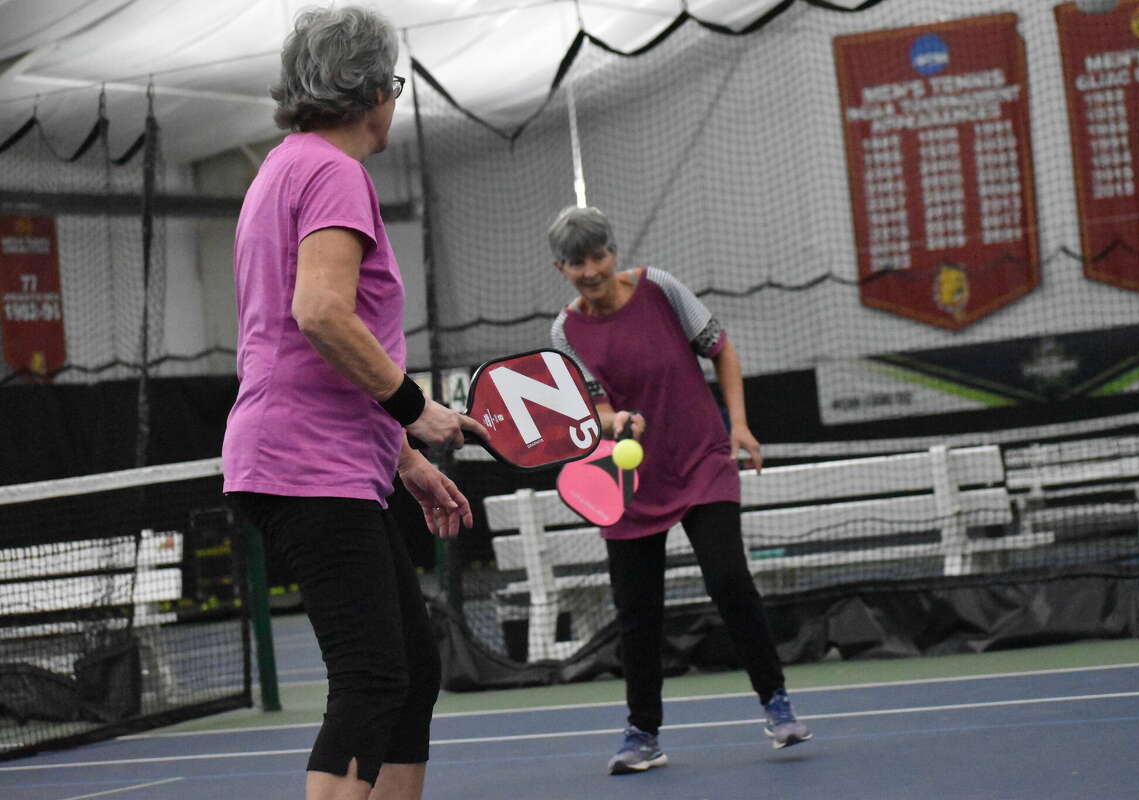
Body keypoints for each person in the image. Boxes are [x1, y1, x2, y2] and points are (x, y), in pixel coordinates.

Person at [221, 8, 488, 800]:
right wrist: (418, 410)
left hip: (324, 461)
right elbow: (321, 313)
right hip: (307, 467)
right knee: (372, 677)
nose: (394, 100)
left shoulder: (282, 168)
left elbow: (302, 338)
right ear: (370, 89)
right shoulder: (334, 174)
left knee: (410, 669)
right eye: (394, 84)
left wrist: (403, 460)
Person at [547, 206, 812, 775]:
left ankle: (776, 703)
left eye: (598, 257)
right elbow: (596, 405)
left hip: (700, 457)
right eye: (576, 263)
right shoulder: (563, 332)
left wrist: (738, 425)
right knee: (636, 610)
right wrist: (619, 423)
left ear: (613, 254)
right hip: (631, 480)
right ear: (560, 268)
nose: (590, 270)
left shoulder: (661, 288)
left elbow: (722, 350)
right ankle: (643, 733)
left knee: (729, 580)